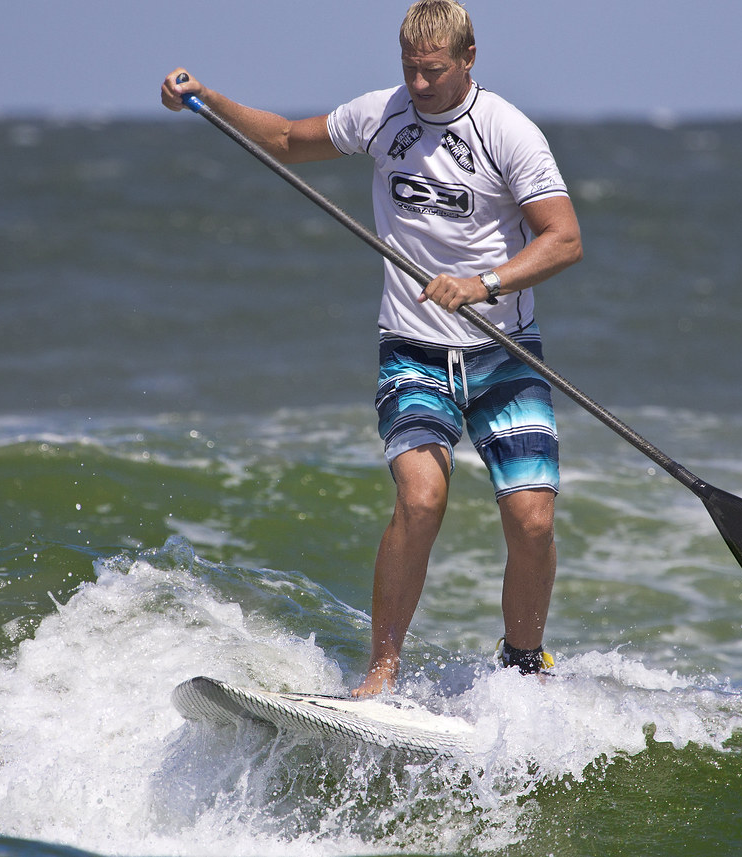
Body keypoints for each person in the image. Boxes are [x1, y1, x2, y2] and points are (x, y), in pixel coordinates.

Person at [161, 0, 582, 697]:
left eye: (433, 72)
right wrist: (207, 97)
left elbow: (563, 238)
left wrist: (483, 283)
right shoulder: (382, 114)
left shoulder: (510, 133)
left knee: (532, 518)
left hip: (504, 352)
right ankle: (382, 669)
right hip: (412, 350)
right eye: (410, 70)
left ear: (468, 60)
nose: (418, 86)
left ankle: (523, 661)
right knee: (421, 497)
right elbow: (291, 139)